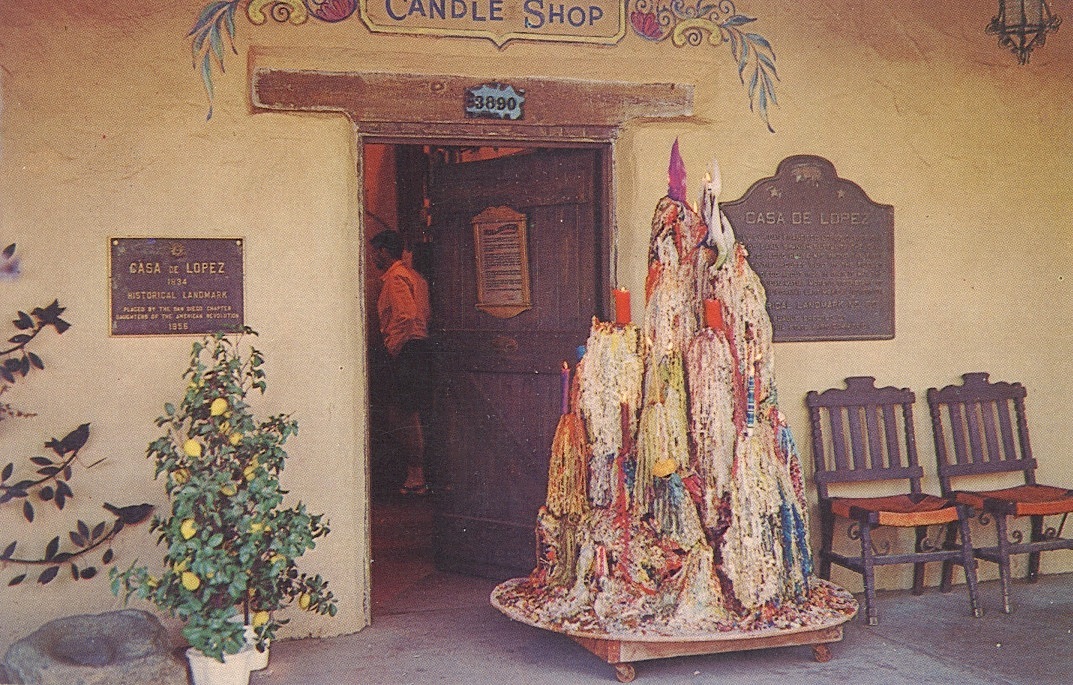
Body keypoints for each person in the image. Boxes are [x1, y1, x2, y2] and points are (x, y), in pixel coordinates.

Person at [370, 230, 434, 496]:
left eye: (375, 252)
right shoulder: (414, 277)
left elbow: (406, 316)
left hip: (406, 349)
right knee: (406, 412)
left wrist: (392, 347)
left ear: (384, 251)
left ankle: (415, 475)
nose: (373, 257)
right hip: (416, 347)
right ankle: (414, 473)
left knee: (403, 413)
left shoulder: (396, 278)